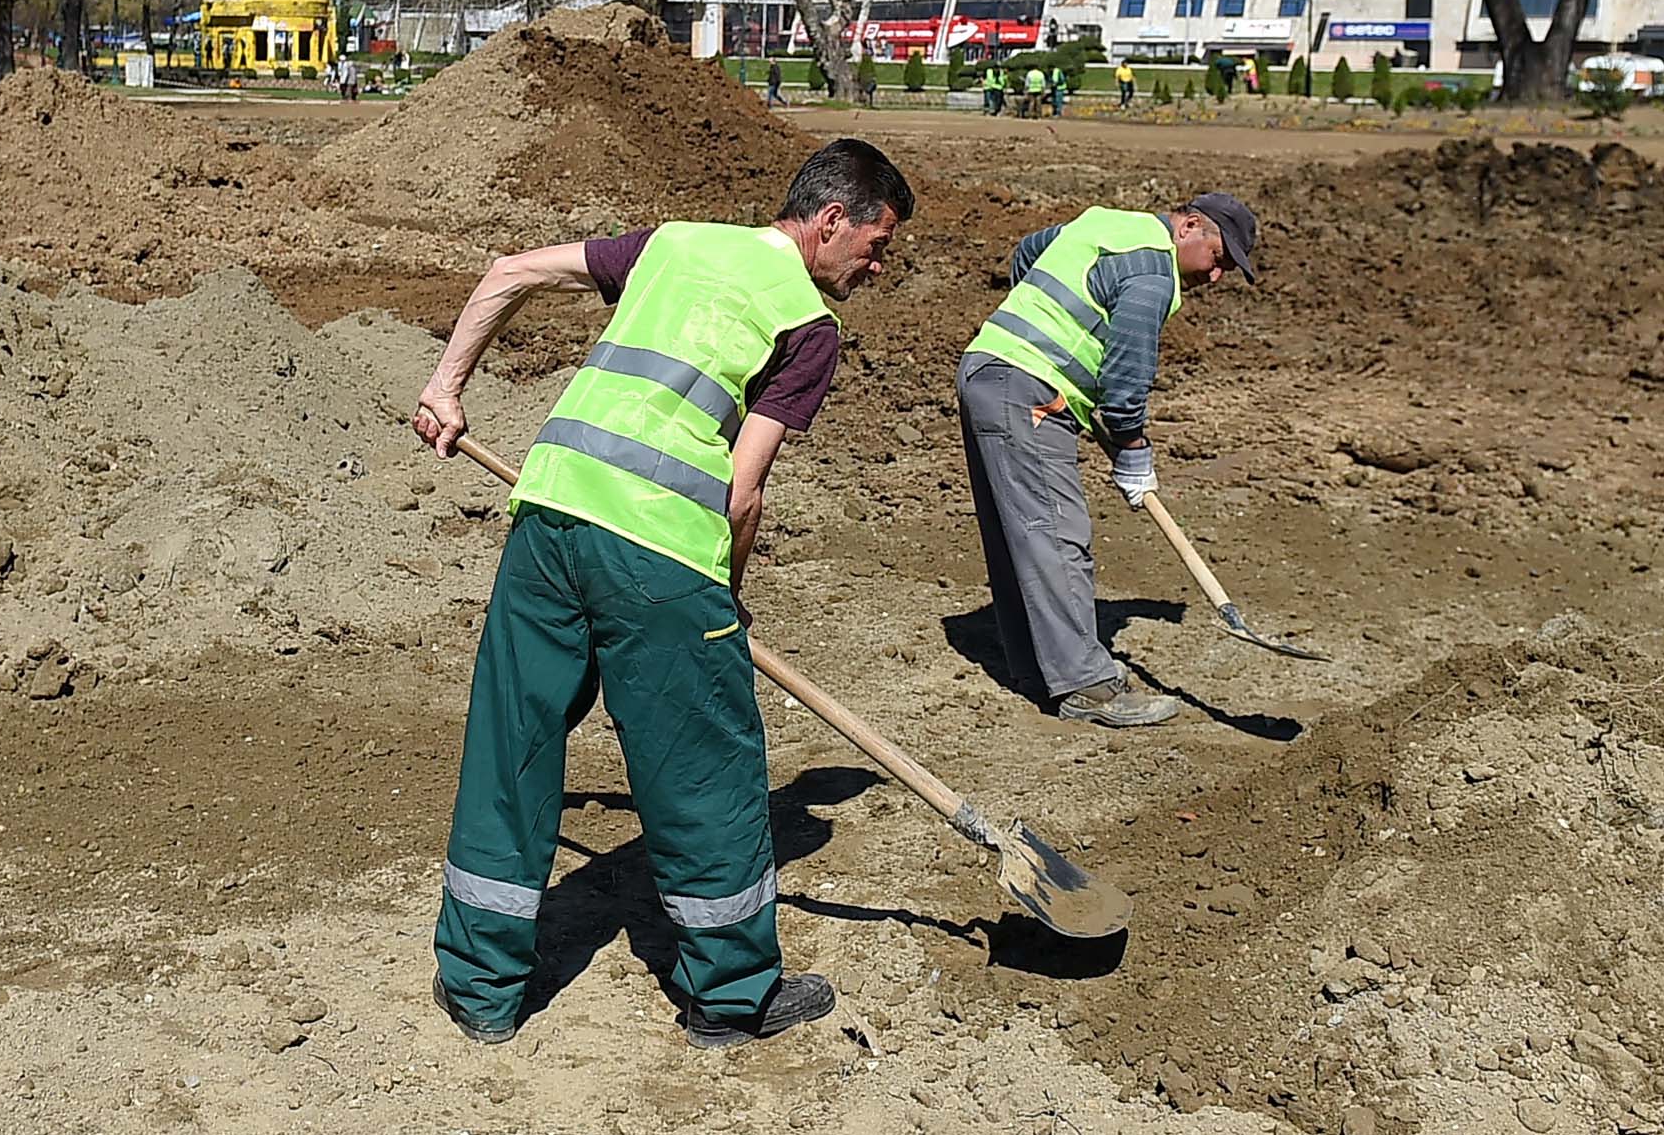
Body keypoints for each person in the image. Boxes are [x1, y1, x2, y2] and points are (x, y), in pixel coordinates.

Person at [413, 139, 914, 1050]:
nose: (875, 268)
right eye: (875, 246)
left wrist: (446, 390)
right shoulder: (809, 325)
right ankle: (731, 998)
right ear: (831, 219)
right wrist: (726, 594)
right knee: (705, 768)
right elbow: (741, 492)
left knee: (511, 746)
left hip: (549, 515)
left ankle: (480, 990)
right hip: (662, 554)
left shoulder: (677, 243)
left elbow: (510, 270)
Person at [956, 191, 1260, 728]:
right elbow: (1126, 380)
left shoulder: (1108, 225)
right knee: (1057, 535)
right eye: (1218, 259)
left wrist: (1046, 331)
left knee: (1022, 536)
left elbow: (1028, 255)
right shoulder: (1155, 273)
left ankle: (1037, 670)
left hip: (989, 369)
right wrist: (1133, 449)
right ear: (1189, 226)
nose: (1216, 278)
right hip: (1029, 391)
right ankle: (1087, 686)